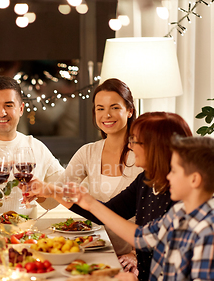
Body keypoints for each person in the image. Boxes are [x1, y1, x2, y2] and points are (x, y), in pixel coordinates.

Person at [72, 136, 214, 281]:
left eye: (173, 170)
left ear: (194, 179)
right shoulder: (180, 212)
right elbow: (140, 237)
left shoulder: (210, 232)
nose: (168, 175)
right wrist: (90, 204)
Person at [29, 112, 193, 281]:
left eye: (135, 141)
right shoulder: (147, 180)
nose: (130, 146)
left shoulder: (180, 195)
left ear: (156, 147)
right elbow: (107, 213)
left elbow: (144, 239)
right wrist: (53, 192)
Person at [32, 78, 143, 257]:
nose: (106, 115)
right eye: (100, 109)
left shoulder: (141, 155)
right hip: (98, 250)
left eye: (114, 107)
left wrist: (135, 254)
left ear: (129, 111)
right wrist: (37, 191)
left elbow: (150, 213)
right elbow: (55, 198)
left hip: (134, 255)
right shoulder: (88, 153)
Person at [0, 76, 64, 215]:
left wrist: (40, 192)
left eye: (9, 105)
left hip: (26, 234)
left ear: (21, 109)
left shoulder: (36, 147)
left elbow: (59, 197)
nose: (2, 113)